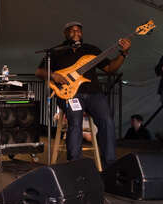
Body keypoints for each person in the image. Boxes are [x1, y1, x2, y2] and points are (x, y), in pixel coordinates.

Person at [35, 21, 130, 167]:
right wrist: (54, 76)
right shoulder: (57, 51)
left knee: (107, 122)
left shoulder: (91, 50)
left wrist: (123, 53)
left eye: (79, 31)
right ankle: (75, 165)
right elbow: (39, 72)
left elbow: (110, 68)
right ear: (65, 34)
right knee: (75, 122)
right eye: (72, 31)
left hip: (94, 94)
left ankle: (110, 165)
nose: (76, 33)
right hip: (71, 95)